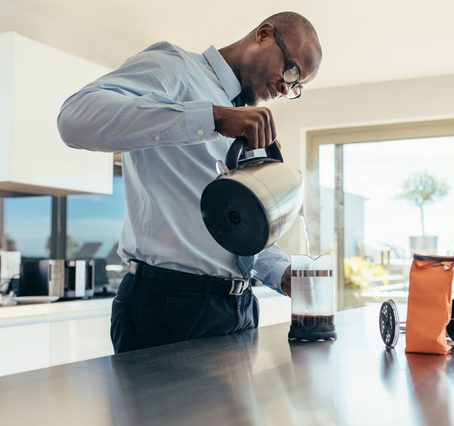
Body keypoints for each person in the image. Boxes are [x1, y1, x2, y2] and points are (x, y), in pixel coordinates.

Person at [57, 11, 322, 353]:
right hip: (168, 306)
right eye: (291, 70)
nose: (287, 87)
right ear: (265, 34)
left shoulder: (248, 121)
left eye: (297, 86)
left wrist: (282, 273)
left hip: (239, 310)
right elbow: (74, 119)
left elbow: (237, 234)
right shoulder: (176, 67)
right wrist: (212, 116)